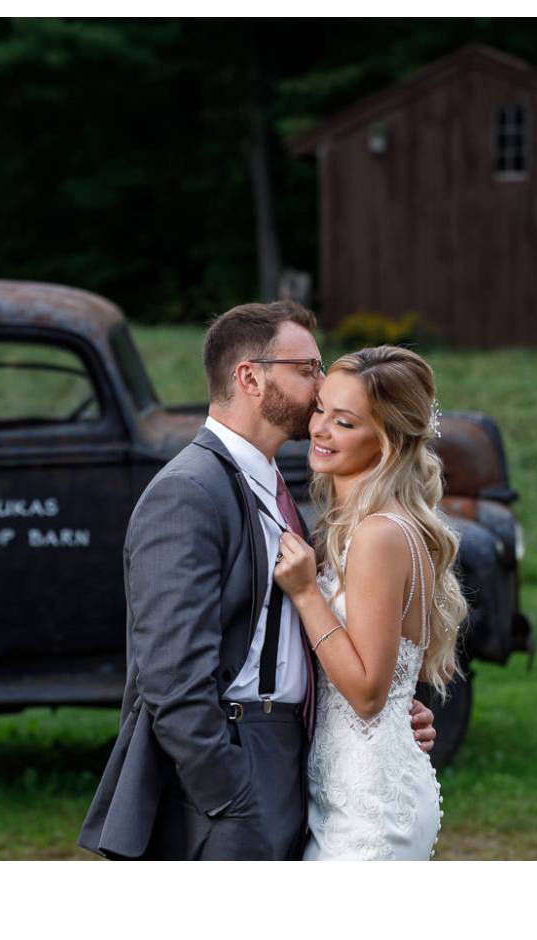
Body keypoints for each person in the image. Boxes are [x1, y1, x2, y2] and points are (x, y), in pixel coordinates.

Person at [78, 302, 437, 861]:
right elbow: (171, 677)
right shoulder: (189, 492)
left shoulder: (276, 485)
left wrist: (391, 716)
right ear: (250, 376)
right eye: (307, 369)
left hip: (299, 763)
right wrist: (229, 795)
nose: (321, 386)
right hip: (236, 770)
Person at [274, 345, 470, 860]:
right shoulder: (359, 528)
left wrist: (305, 593)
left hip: (370, 807)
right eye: (320, 410)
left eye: (344, 422)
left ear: (386, 440)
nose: (319, 429)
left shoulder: (379, 535)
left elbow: (366, 694)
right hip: (346, 788)